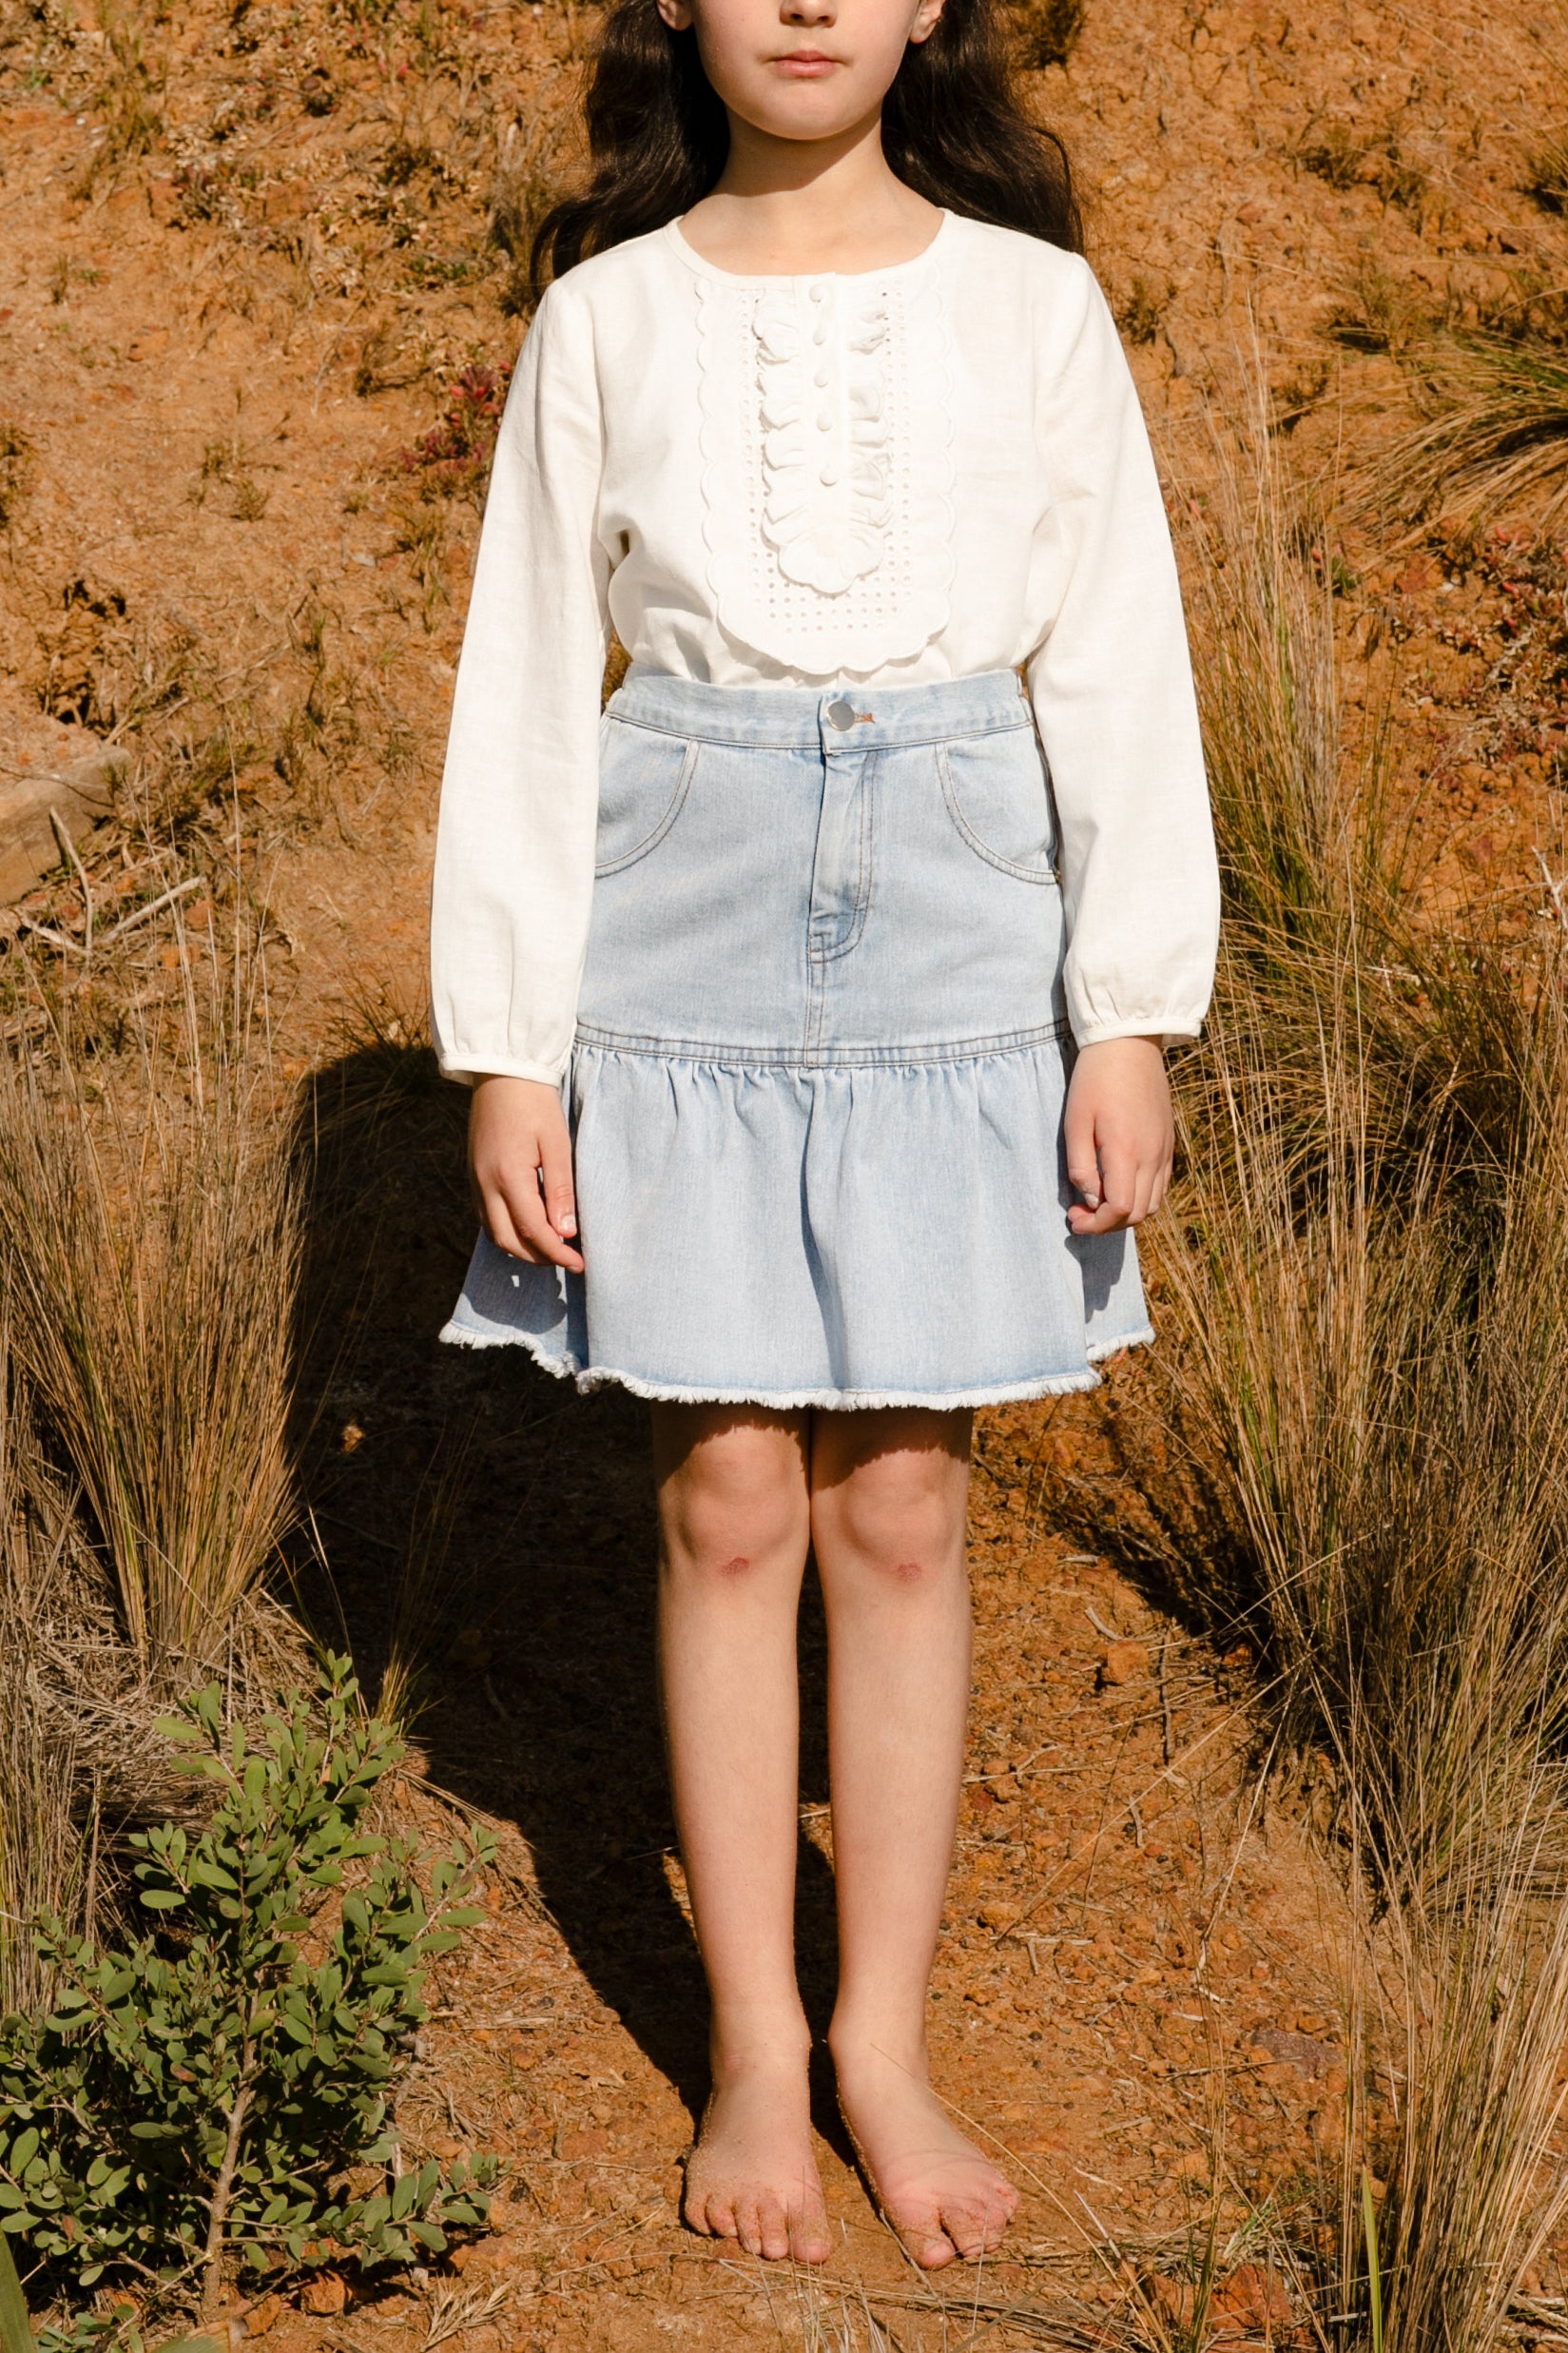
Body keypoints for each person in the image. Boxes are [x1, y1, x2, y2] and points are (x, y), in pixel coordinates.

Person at [428, 0, 1218, 2276]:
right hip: (681, 887)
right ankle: (757, 2043)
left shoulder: (1032, 306)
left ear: (931, 8)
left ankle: (884, 2036)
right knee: (731, 1481)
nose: (804, 4)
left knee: (898, 1498)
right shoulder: (605, 320)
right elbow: (520, 683)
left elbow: (1119, 662)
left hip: (968, 905)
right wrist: (509, 1037)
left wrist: (1127, 1009)